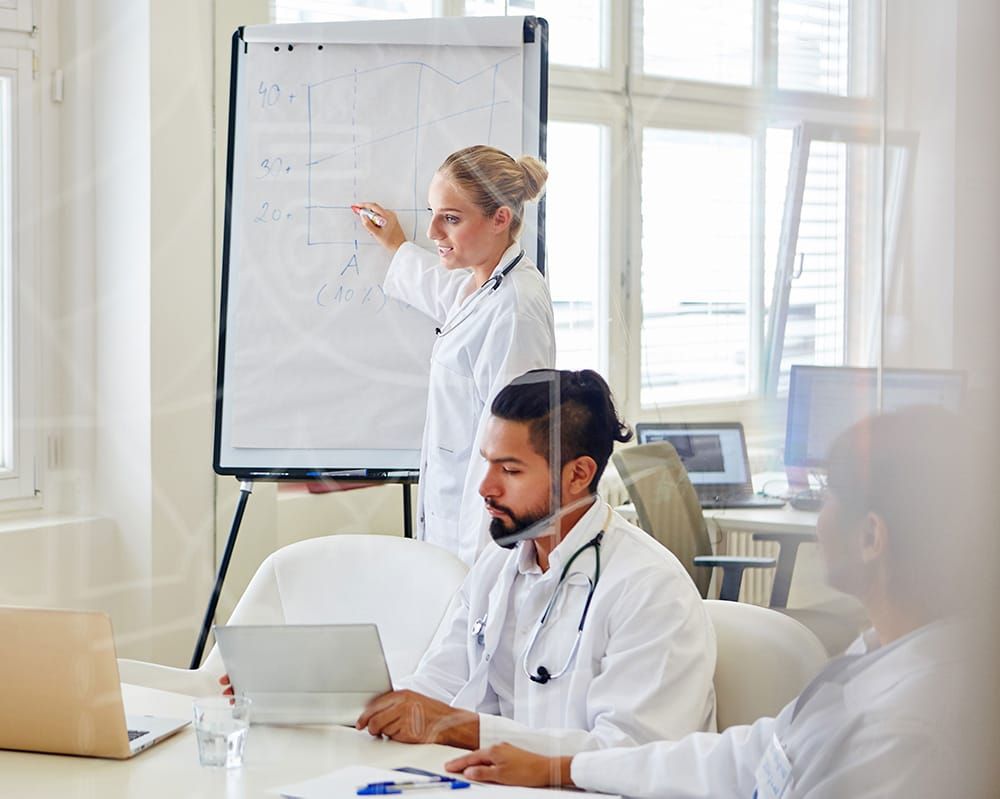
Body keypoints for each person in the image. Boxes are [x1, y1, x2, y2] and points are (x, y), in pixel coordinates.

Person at [444, 406, 989, 797]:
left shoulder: (911, 734)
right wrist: (563, 768)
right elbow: (746, 757)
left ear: (872, 537)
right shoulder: (877, 658)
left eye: (827, 496)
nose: (819, 515)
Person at [354, 369, 717, 753]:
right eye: (487, 463)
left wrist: (462, 729)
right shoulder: (497, 567)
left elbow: (630, 755)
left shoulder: (650, 589)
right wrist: (371, 709)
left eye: (510, 470)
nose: (485, 488)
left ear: (578, 474)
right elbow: (439, 684)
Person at [356, 145, 555, 566]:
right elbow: (446, 295)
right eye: (432, 212)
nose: (431, 232)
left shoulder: (516, 309)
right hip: (451, 537)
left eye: (450, 218)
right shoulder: (482, 287)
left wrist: (477, 567)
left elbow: (511, 450)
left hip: (479, 547)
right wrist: (396, 245)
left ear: (500, 218)